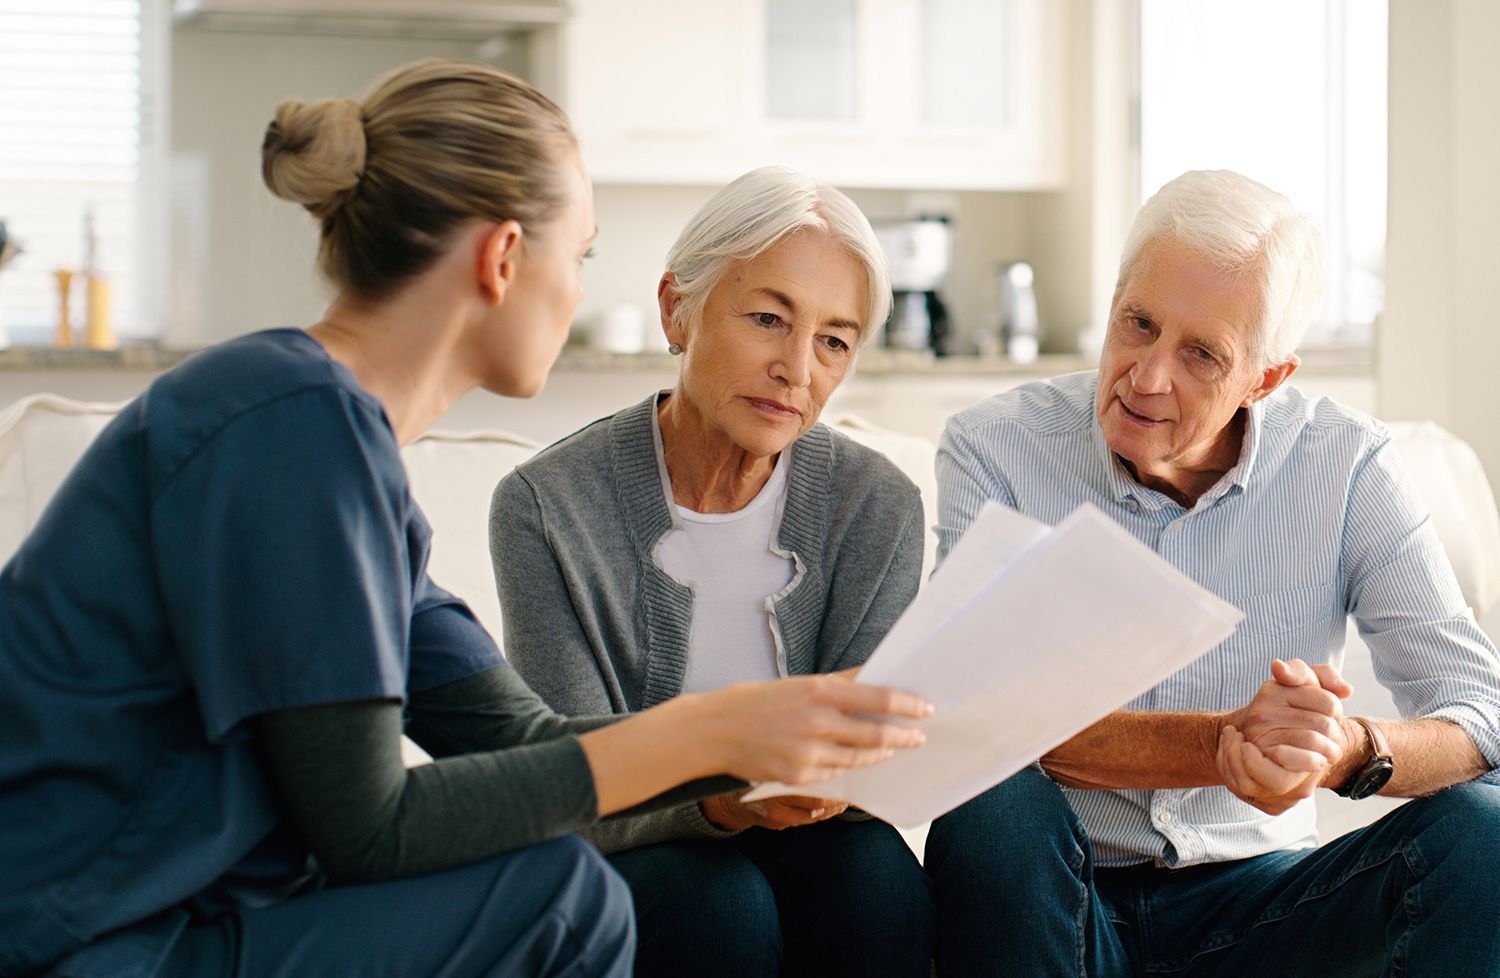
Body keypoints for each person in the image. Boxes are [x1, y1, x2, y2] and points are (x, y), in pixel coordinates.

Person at [0, 61, 933, 978]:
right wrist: (713, 732)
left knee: (571, 880)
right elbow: (368, 826)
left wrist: (745, 753)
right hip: (92, 939)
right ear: (503, 258)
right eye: (582, 256)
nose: (576, 292)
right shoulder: (284, 425)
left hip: (177, 918)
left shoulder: (336, 451)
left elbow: (521, 743)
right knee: (564, 899)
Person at [925, 169, 1500, 977]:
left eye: (1201, 355)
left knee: (1484, 832)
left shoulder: (1348, 466)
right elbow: (973, 714)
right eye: (1139, 324)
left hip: (1266, 905)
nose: (1148, 377)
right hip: (1060, 893)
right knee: (991, 807)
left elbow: (1482, 716)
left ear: (1265, 380)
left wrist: (1347, 750)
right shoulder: (997, 449)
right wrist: (1227, 742)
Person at [489, 165, 934, 977]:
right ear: (677, 310)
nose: (797, 369)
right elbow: (566, 785)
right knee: (713, 900)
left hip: (816, 844)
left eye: (833, 340)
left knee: (873, 878)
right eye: (768, 318)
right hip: (641, 855)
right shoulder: (545, 506)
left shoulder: (880, 506)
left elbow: (874, 750)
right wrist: (717, 799)